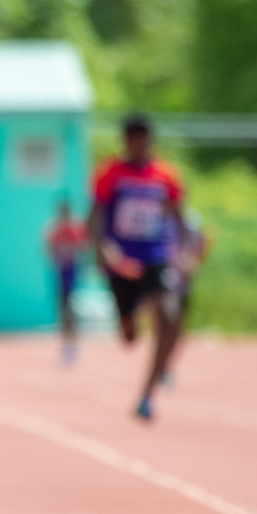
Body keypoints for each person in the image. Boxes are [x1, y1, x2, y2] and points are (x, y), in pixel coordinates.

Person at [88, 114, 187, 422]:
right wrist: (103, 247)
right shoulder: (111, 174)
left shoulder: (165, 175)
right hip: (122, 263)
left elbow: (178, 216)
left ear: (150, 140)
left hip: (154, 257)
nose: (139, 144)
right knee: (129, 338)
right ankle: (134, 313)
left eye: (144, 138)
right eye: (133, 139)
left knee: (171, 317)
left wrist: (183, 253)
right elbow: (94, 217)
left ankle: (147, 394)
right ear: (126, 141)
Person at [161, 207, 211, 385]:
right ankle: (162, 366)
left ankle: (166, 366)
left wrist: (194, 262)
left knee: (178, 329)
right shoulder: (163, 223)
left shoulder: (191, 221)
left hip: (183, 285)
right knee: (166, 324)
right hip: (166, 284)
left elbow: (202, 244)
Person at [44, 197, 89, 366]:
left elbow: (83, 249)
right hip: (60, 272)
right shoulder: (54, 230)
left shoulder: (75, 229)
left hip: (72, 271)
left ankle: (73, 343)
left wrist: (80, 267)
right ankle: (66, 343)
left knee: (71, 308)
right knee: (63, 309)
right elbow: (48, 250)